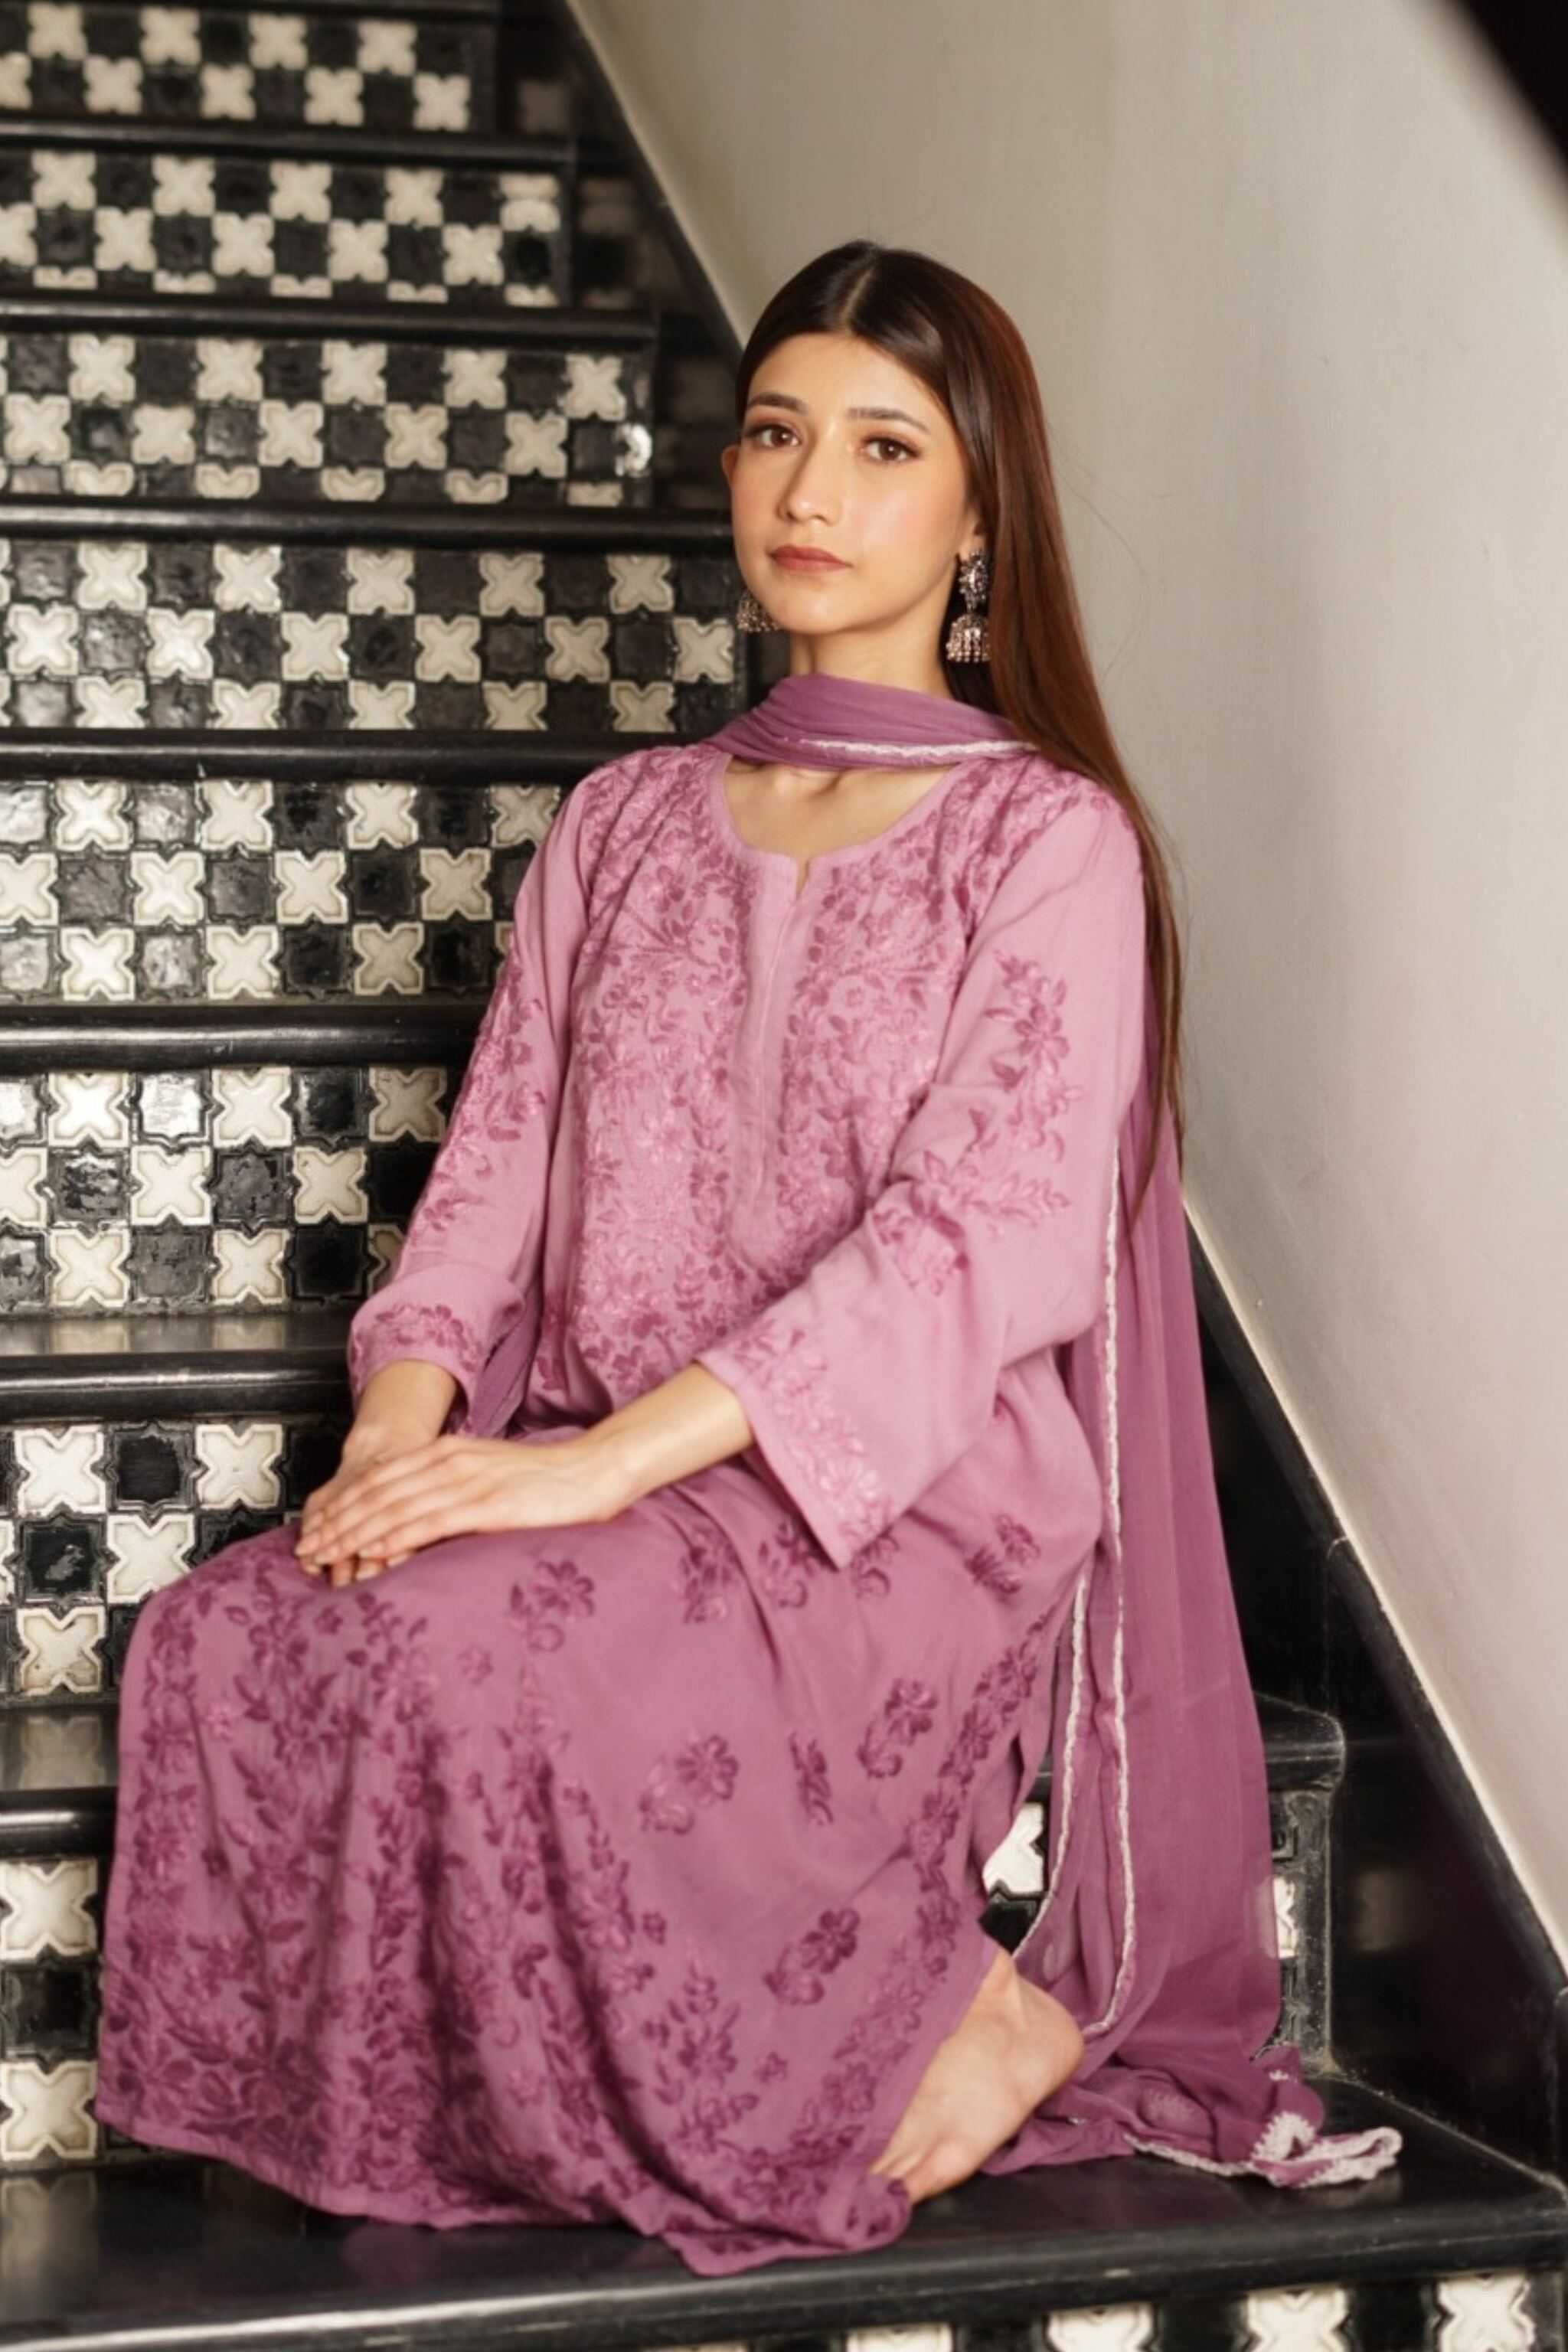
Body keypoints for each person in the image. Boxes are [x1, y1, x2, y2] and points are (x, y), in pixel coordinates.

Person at [93, 240, 1401, 2277]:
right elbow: (495, 1171)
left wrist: (575, 1476)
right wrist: (402, 1432)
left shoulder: (1042, 842)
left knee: (467, 1645)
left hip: (894, 1497)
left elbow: (982, 1241)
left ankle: (925, 2009)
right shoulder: (621, 821)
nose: (809, 490)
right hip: (606, 1450)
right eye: (776, 433)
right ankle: (476, 2114)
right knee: (237, 1630)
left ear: (980, 518)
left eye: (882, 449)